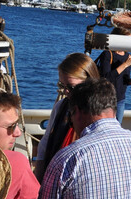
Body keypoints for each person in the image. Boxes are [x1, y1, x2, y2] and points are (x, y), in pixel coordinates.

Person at [33, 53, 100, 182]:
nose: (65, 92)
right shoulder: (60, 107)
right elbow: (45, 145)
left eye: (71, 87)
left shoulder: (99, 112)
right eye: (62, 86)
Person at [95, 27, 131, 123]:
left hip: (120, 100)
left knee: (117, 126)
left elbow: (125, 81)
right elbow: (106, 78)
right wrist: (125, 64)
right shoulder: (108, 54)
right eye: (128, 39)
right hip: (106, 99)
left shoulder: (127, 56)